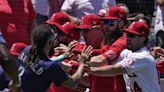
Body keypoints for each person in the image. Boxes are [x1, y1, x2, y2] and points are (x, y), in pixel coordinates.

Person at [86, 21, 160, 92]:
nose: (127, 38)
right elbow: (106, 61)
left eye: (132, 35)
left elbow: (116, 69)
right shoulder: (127, 53)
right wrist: (81, 62)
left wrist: (90, 70)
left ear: (142, 39)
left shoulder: (143, 56)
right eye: (127, 34)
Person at [18, 24, 93, 92]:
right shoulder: (52, 66)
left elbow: (42, 63)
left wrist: (63, 57)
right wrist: (82, 64)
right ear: (50, 42)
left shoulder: (27, 50)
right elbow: (72, 83)